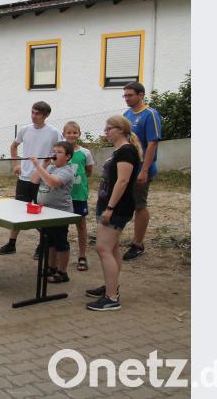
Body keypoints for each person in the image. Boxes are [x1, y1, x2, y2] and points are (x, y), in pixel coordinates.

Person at [86, 115, 142, 311]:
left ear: (120, 129)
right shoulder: (119, 150)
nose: (106, 132)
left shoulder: (126, 151)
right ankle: (111, 286)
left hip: (117, 207)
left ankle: (112, 297)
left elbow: (123, 181)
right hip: (108, 204)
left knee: (103, 248)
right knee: (113, 248)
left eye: (109, 128)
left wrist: (110, 208)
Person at [0, 101, 63, 257]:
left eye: (37, 113)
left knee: (41, 213)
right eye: (32, 112)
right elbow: (14, 146)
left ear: (46, 116)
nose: (34, 116)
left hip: (42, 179)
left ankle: (42, 246)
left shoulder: (53, 132)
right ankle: (11, 243)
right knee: (18, 210)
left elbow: (59, 152)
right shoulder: (25, 129)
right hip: (24, 177)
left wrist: (46, 167)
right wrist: (15, 164)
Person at [121, 82, 162, 261]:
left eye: (130, 95)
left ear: (141, 95)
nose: (127, 98)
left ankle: (138, 244)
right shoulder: (126, 115)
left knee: (139, 204)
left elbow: (153, 142)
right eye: (125, 95)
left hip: (141, 169)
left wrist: (144, 170)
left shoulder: (150, 114)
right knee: (125, 202)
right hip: (127, 168)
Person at [30, 141, 75, 283]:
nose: (54, 154)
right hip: (46, 212)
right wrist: (43, 165)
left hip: (60, 213)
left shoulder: (66, 171)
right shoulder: (49, 167)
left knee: (61, 242)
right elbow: (34, 179)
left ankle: (63, 272)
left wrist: (38, 166)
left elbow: (52, 182)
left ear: (67, 156)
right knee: (49, 242)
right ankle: (52, 267)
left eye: (59, 152)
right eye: (54, 151)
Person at [62, 121, 94, 272]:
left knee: (81, 225)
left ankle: (82, 256)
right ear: (64, 134)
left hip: (79, 194)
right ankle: (61, 255)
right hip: (63, 195)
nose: (72, 135)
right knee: (62, 226)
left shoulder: (85, 152)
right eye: (69, 132)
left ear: (79, 134)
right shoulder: (60, 152)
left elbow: (88, 171)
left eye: (75, 132)